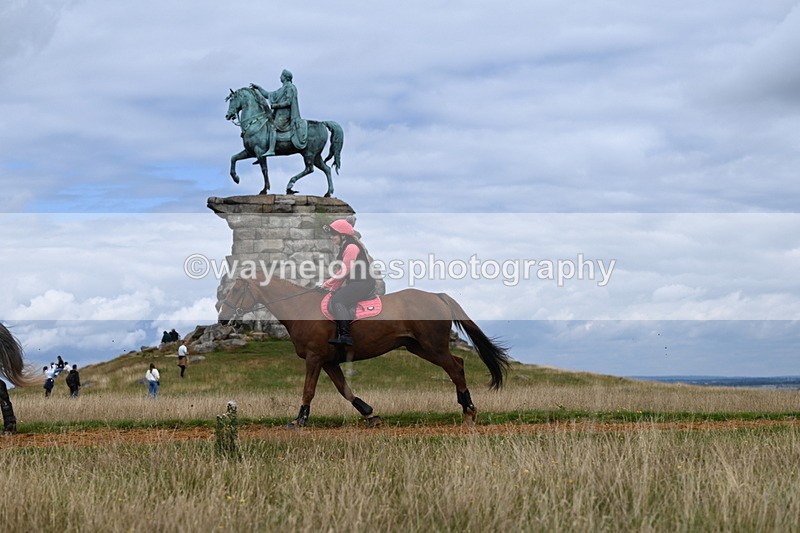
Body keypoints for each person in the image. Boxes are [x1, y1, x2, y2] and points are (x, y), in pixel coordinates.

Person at [320, 218, 376, 346]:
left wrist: (325, 284)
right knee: (335, 295)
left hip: (363, 283)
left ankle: (345, 336)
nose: (331, 238)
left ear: (343, 235)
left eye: (333, 234)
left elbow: (344, 271)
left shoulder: (351, 247)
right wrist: (331, 289)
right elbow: (342, 275)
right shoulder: (346, 247)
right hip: (355, 283)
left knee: (338, 300)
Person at [250, 69, 308, 156]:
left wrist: (275, 106)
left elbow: (288, 102)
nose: (280, 77)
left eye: (281, 75)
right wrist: (259, 88)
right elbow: (268, 94)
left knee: (272, 126)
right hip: (279, 114)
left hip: (285, 115)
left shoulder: (290, 88)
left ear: (285, 77)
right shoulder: (282, 89)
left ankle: (271, 149)